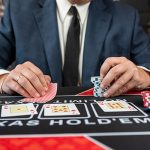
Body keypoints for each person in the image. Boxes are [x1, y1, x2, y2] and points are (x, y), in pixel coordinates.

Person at [0, 0, 150, 98]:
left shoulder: (126, 16)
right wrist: (4, 80)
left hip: (103, 122)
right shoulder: (18, 9)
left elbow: (147, 65)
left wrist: (143, 75)